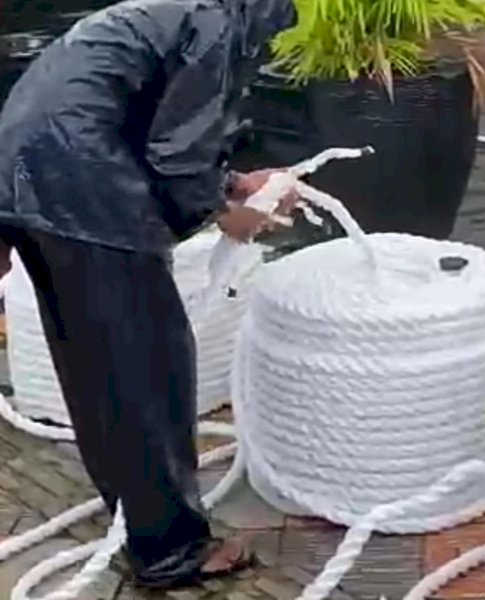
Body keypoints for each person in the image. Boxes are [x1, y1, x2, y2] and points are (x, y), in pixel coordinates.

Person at [0, 0, 297, 589]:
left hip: (28, 170)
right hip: (83, 188)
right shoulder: (215, 22)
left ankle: (139, 522)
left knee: (96, 365)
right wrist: (224, 209)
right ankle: (171, 550)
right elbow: (177, 153)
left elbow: (141, 118)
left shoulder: (173, 9)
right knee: (145, 369)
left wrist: (236, 182)